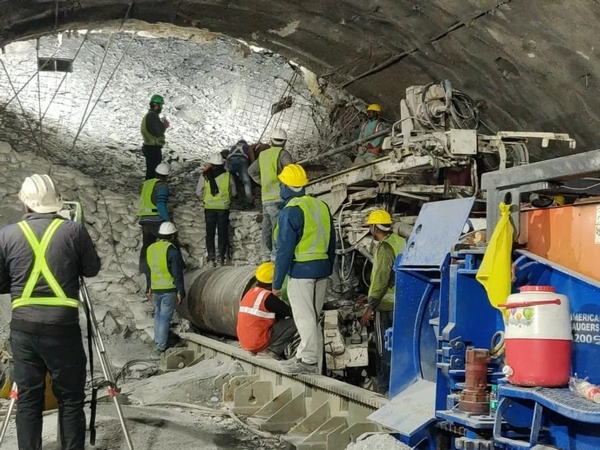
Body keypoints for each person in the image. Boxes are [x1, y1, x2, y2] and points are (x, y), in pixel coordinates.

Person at [0, 174, 101, 450]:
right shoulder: (73, 231)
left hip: (24, 330)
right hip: (62, 328)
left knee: (29, 401)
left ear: (26, 206)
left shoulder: (7, 234)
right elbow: (91, 269)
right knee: (70, 399)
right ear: (56, 205)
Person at [272, 164, 336, 375]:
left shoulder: (291, 211)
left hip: (301, 270)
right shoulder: (321, 206)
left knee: (304, 316)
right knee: (313, 316)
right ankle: (310, 361)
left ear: (286, 186)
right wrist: (328, 267)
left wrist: (277, 282)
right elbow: (332, 243)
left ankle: (307, 361)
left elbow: (284, 251)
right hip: (322, 269)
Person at [358, 209, 406, 394]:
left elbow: (381, 278)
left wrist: (370, 307)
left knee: (383, 347)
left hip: (385, 306)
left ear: (373, 228)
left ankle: (385, 387)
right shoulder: (400, 241)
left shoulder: (384, 247)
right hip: (401, 303)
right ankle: (400, 384)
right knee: (399, 345)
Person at [248, 129, 293, 263]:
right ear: (284, 142)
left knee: (266, 228)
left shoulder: (263, 155)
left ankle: (265, 255)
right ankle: (275, 255)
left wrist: (263, 182)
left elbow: (251, 170)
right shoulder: (283, 154)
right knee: (277, 227)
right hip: (279, 197)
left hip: (266, 197)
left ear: (271, 140)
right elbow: (291, 170)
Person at [237, 262, 297, 360]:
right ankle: (272, 350)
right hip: (258, 342)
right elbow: (290, 312)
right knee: (297, 320)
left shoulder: (250, 293)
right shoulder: (268, 297)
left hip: (245, 342)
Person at [145, 221, 185, 355]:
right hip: (169, 289)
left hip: (156, 289)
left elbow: (149, 270)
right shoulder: (172, 250)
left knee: (158, 315)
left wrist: (149, 287)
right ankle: (161, 347)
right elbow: (177, 273)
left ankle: (157, 341)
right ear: (173, 235)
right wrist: (181, 291)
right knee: (165, 317)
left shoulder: (151, 249)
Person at [196, 153, 236, 267]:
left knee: (210, 233)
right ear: (222, 163)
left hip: (209, 208)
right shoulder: (228, 175)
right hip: (223, 208)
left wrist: (205, 197)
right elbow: (233, 191)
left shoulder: (205, 175)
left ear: (211, 164)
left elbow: (198, 192)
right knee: (222, 233)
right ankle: (221, 258)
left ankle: (211, 258)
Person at [137, 162, 171, 274]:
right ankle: (168, 265)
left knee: (147, 245)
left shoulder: (147, 183)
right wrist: (167, 221)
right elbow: (160, 203)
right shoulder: (162, 186)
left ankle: (143, 268)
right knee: (167, 242)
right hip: (155, 218)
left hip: (144, 219)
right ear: (166, 176)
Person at [141, 94, 170, 180]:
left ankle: (148, 189)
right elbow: (157, 132)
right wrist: (164, 126)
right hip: (152, 148)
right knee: (153, 172)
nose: (161, 107)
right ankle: (152, 190)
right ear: (156, 105)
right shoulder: (152, 116)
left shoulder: (150, 115)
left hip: (150, 147)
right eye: (161, 105)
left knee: (151, 171)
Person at [226, 139, 253, 204]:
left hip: (230, 160)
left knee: (225, 178)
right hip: (242, 160)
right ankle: (249, 202)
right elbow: (251, 157)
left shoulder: (233, 147)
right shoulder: (247, 147)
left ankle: (229, 197)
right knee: (246, 182)